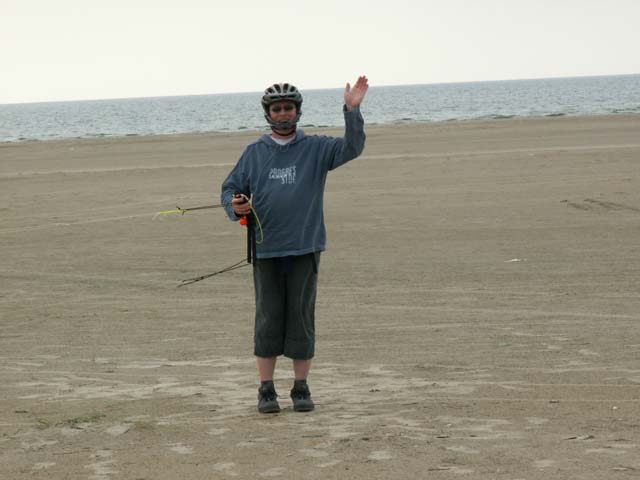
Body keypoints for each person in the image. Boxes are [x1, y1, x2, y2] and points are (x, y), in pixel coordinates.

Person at [221, 76, 369, 413]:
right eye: (277, 109)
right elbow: (230, 189)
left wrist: (352, 111)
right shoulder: (254, 153)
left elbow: (352, 147)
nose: (283, 113)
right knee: (268, 319)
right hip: (266, 249)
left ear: (298, 111)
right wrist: (235, 205)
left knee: (301, 317)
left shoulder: (316, 148)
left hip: (305, 246)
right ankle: (266, 389)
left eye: (288, 108)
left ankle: (301, 388)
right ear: (268, 114)